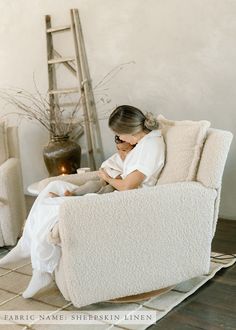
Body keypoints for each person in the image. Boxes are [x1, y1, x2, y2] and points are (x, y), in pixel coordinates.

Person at [0, 105, 165, 298]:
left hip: (124, 202)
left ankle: (41, 270)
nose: (120, 139)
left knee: (56, 208)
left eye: (119, 134)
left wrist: (109, 178)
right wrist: (108, 174)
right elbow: (122, 168)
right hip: (116, 193)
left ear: (128, 130)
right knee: (51, 189)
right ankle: (25, 246)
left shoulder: (150, 146)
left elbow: (128, 186)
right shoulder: (143, 142)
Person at [48, 135, 135, 198]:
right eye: (118, 149)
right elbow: (104, 168)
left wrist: (117, 178)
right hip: (106, 179)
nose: (120, 153)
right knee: (92, 184)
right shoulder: (116, 158)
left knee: (108, 190)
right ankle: (71, 194)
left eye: (124, 150)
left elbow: (128, 180)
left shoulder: (135, 160)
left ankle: (78, 200)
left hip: (117, 186)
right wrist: (114, 175)